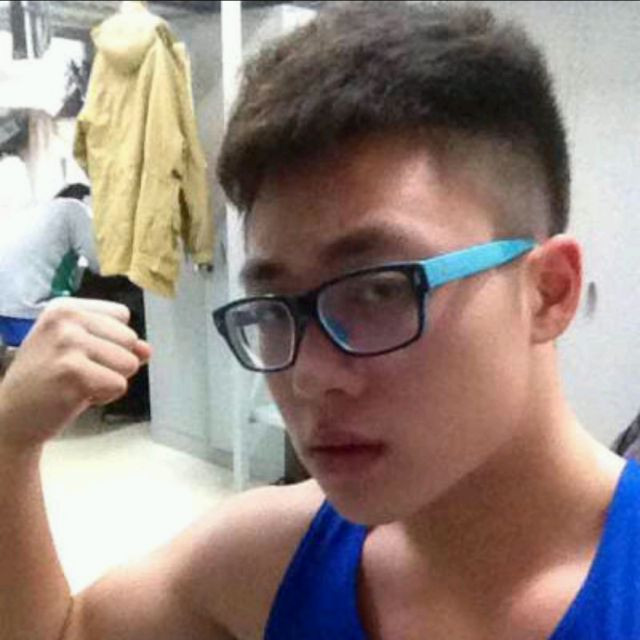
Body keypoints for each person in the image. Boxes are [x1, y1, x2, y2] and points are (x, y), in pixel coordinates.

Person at [0, 3, 636, 639]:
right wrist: (8, 446)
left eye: (380, 291)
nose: (306, 376)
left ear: (548, 293)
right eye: (275, 307)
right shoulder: (277, 557)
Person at [0, 183, 98, 347]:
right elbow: (102, 264)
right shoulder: (76, 210)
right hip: (29, 312)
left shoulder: (35, 213)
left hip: (6, 310)